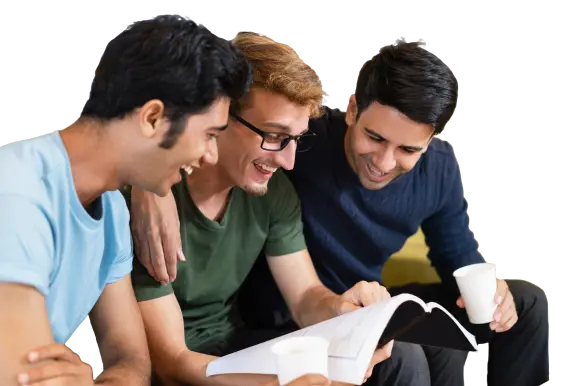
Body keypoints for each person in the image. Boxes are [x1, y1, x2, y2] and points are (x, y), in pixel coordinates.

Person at [128, 39, 550, 386]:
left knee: (525, 303)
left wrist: (488, 290)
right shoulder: (298, 140)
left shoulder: (280, 174)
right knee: (410, 358)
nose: (384, 162)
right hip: (275, 320)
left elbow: (456, 256)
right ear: (351, 111)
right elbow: (191, 84)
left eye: (408, 150)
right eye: (375, 137)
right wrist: (149, 178)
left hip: (353, 303)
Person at [125, 31, 401, 386]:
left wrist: (340, 310)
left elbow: (304, 298)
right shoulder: (147, 200)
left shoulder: (274, 194)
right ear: (219, 112)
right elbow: (171, 362)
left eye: (296, 140)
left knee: (395, 359)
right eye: (274, 136)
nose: (287, 161)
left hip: (233, 349)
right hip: (179, 369)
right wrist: (286, 382)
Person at [0, 15, 251, 386]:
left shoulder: (113, 211)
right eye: (209, 134)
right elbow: (24, 378)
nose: (210, 155)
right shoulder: (17, 194)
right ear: (152, 117)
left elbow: (131, 357)